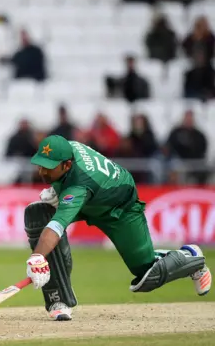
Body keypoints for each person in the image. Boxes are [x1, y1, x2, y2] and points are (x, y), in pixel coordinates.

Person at [24, 135, 211, 321]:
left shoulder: (79, 186)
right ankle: (59, 300)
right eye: (40, 165)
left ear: (66, 165)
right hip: (93, 197)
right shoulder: (67, 148)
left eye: (48, 167)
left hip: (120, 208)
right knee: (39, 216)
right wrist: (58, 189)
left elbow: (57, 227)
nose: (42, 172)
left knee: (147, 275)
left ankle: (190, 257)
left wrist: (37, 257)